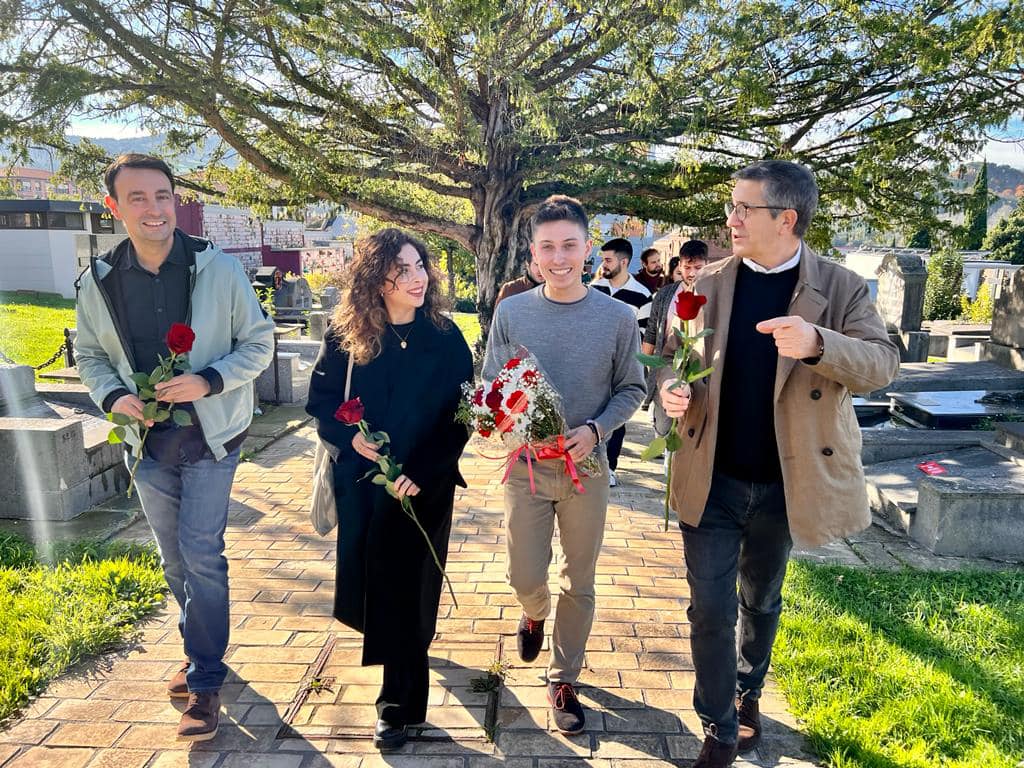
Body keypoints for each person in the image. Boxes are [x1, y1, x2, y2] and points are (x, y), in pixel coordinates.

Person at [658, 160, 899, 768]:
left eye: (745, 208)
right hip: (709, 476)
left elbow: (882, 365)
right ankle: (717, 727)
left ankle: (747, 693)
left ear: (786, 218)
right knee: (707, 607)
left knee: (760, 600)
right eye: (731, 206)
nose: (731, 219)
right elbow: (665, 360)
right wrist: (669, 391)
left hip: (785, 484)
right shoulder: (704, 285)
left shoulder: (841, 288)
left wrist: (819, 344)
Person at [74, 153, 275, 742]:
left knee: (202, 551)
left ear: (175, 201)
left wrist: (208, 380)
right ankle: (200, 648)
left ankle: (206, 680)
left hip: (211, 436)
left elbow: (258, 343)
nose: (153, 208)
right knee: (175, 561)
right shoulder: (100, 280)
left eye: (162, 196)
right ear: (114, 207)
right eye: (136, 198)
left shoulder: (219, 269)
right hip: (147, 442)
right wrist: (112, 395)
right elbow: (89, 354)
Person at [305, 228, 473, 752]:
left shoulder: (445, 336)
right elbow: (322, 402)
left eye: (420, 265)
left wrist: (423, 468)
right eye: (402, 268)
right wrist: (350, 440)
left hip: (425, 485)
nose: (417, 277)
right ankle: (402, 653)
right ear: (377, 278)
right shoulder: (347, 336)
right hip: (364, 486)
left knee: (410, 588)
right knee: (374, 585)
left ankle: (398, 706)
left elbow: (463, 414)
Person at [484, 195, 645, 736]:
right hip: (526, 466)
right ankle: (533, 611)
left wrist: (596, 429)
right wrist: (500, 418)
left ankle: (563, 677)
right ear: (533, 253)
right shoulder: (512, 312)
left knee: (581, 577)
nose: (559, 257)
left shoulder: (619, 318)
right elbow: (491, 386)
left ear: (588, 249)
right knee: (524, 572)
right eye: (547, 247)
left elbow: (632, 389)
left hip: (587, 470)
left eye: (569, 246)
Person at [591, 237, 652, 486]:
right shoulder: (593, 289)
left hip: (622, 365)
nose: (603, 264)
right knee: (594, 412)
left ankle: (611, 467)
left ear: (623, 261)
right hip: (593, 362)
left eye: (608, 260)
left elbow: (643, 334)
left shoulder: (642, 296)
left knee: (617, 414)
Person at [643, 240, 709, 420]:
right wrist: (644, 370)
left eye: (698, 267)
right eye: (687, 267)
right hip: (665, 369)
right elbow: (652, 332)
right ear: (679, 265)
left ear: (707, 265)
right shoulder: (665, 294)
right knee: (663, 428)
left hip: (699, 374)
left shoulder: (713, 294)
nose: (692, 273)